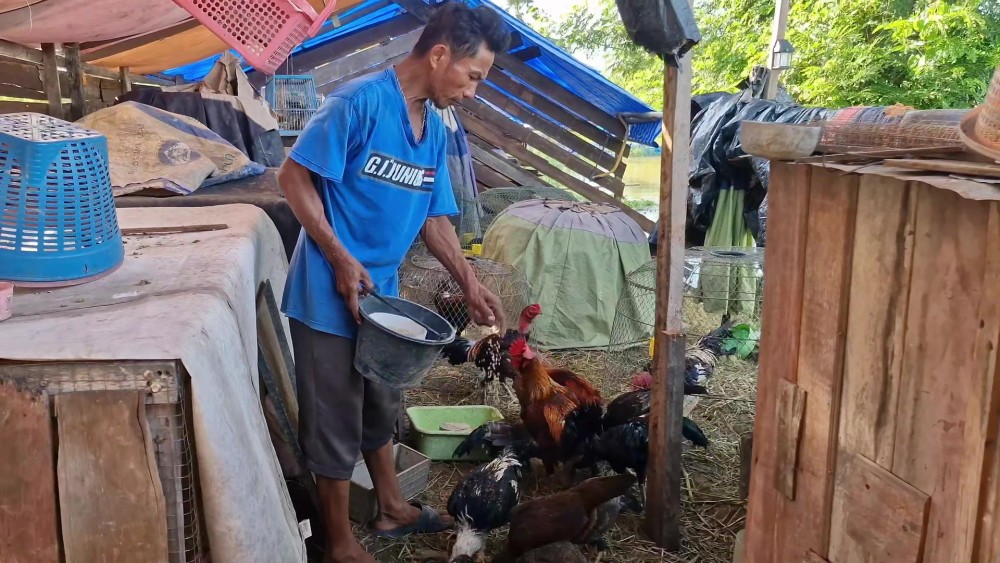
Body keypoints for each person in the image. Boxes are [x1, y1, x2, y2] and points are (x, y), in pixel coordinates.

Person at [277, 3, 510, 562]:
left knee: (382, 401)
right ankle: (338, 543)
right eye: (472, 76)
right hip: (327, 292)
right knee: (335, 420)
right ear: (439, 56)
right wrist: (338, 256)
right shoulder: (358, 103)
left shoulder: (433, 128)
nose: (472, 92)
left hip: (382, 296)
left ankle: (391, 508)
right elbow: (292, 177)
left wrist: (469, 283)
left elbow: (435, 219)